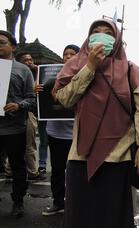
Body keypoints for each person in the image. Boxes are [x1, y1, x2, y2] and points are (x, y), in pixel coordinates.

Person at [45, 19, 139, 228]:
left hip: (118, 154)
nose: (102, 38)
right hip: (81, 152)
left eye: (108, 34)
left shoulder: (131, 69)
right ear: (88, 38)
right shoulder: (75, 65)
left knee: (112, 214)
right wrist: (90, 67)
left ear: (116, 41)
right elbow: (66, 98)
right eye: (97, 33)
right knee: (77, 213)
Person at [38, 44, 80, 216]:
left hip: (77, 134)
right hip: (55, 133)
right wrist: (39, 93)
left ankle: (76, 204)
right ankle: (58, 202)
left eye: (72, 54)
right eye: (65, 54)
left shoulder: (85, 77)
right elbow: (41, 107)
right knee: (57, 170)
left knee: (76, 172)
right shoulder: (51, 79)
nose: (68, 57)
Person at [0, 31, 36, 217]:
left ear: (12, 46)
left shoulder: (23, 70)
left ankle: (18, 201)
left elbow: (32, 99)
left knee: (17, 166)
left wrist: (18, 105)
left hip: (15, 128)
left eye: (2, 43)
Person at [5, 51, 44, 181]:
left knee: (28, 144)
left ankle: (27, 171)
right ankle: (27, 171)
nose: (30, 62)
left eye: (31, 59)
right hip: (19, 115)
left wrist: (39, 70)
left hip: (29, 113)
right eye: (26, 60)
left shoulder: (34, 74)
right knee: (22, 147)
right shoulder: (14, 74)